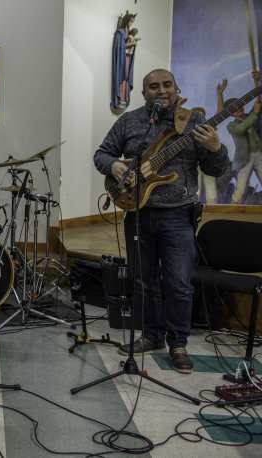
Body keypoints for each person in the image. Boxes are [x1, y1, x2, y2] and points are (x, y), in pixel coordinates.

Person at [93, 69, 229, 374]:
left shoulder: (193, 122)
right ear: (145, 94)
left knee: (179, 284)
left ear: (177, 88)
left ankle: (178, 343)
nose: (161, 90)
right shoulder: (131, 121)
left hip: (178, 215)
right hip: (137, 213)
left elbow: (218, 169)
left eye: (167, 85)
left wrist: (216, 149)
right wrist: (114, 164)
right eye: (153, 86)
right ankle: (152, 336)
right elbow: (101, 154)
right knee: (143, 282)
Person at [217, 73, 262, 204]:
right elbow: (243, 128)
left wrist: (256, 82)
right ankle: (234, 206)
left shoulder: (249, 117)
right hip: (245, 158)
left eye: (239, 106)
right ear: (230, 113)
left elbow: (257, 103)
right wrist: (255, 112)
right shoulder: (232, 126)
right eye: (234, 109)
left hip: (258, 154)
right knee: (241, 187)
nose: (239, 110)